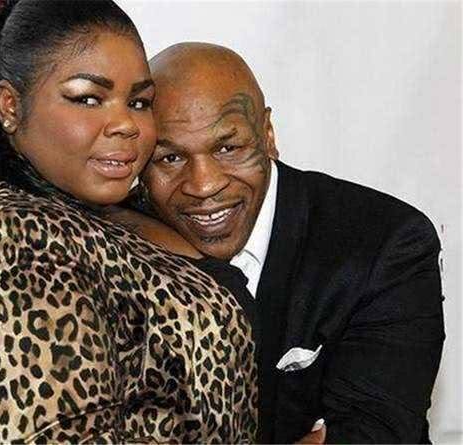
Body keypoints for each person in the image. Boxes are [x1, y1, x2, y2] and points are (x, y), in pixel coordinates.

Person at [0, 4, 258, 443]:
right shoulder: (2, 247)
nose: (126, 124)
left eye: (138, 102)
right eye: (87, 98)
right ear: (10, 106)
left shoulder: (74, 198)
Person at [130, 42, 445, 444]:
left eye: (228, 148)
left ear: (267, 134)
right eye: (170, 158)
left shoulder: (385, 242)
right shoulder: (118, 242)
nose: (204, 185)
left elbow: (373, 435)